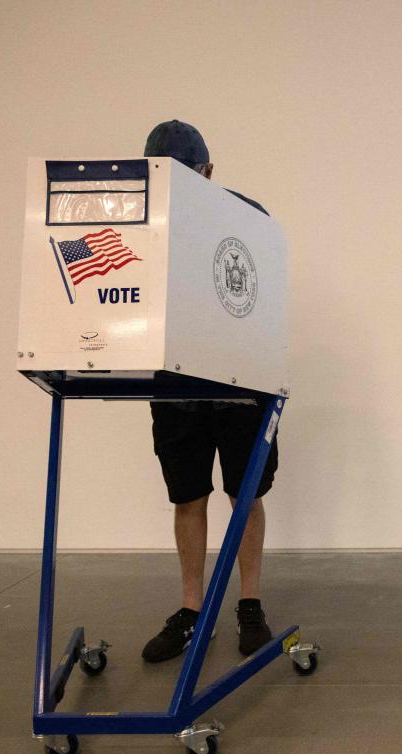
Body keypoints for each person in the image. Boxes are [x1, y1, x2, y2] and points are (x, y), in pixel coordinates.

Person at [139, 119, 277, 663]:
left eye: (185, 176)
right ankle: (192, 610)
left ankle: (249, 604)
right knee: (187, 496)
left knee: (245, 494)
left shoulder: (248, 220)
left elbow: (266, 299)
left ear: (208, 173)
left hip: (241, 385)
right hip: (176, 387)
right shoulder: (140, 227)